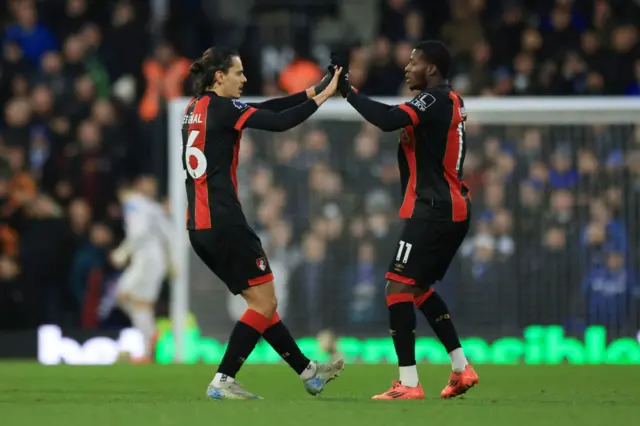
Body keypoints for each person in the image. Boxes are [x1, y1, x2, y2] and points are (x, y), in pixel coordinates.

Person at [183, 47, 344, 400]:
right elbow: (280, 122)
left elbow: (265, 108)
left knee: (261, 302)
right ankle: (223, 379)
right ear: (219, 76)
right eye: (238, 73)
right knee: (264, 303)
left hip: (199, 226)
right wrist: (325, 96)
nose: (244, 79)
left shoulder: (194, 109)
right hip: (225, 222)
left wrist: (311, 90)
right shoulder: (223, 109)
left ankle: (307, 372)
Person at [332, 41, 478, 400]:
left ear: (431, 70)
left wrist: (347, 91)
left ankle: (409, 383)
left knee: (396, 287)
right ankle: (461, 368)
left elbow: (386, 119)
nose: (406, 68)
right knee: (417, 289)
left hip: (434, 209)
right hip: (449, 208)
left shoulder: (434, 99)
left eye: (414, 63)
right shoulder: (448, 101)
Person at [111, 176, 176, 363]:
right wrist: (172, 261)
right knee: (134, 300)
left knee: (129, 297)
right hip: (153, 260)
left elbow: (137, 232)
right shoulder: (152, 207)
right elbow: (169, 234)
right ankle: (150, 339)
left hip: (147, 260)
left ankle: (149, 340)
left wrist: (121, 253)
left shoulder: (133, 203)